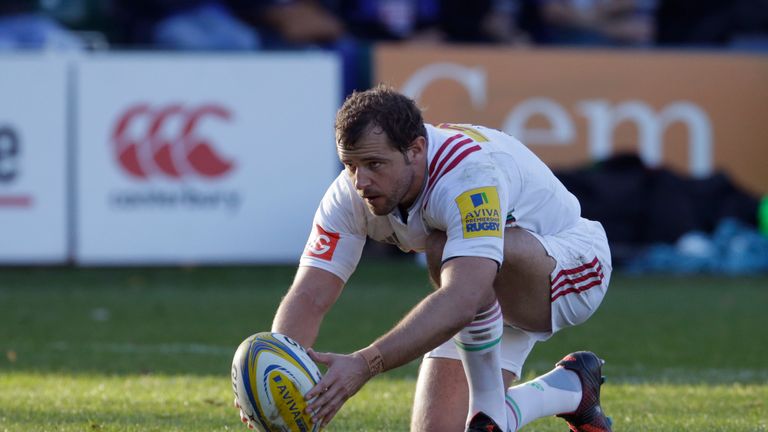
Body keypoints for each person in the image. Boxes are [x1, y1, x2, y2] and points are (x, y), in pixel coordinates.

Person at [236, 85, 613, 432]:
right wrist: (277, 377)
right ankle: (570, 387)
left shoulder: (468, 173)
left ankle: (489, 408)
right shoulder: (350, 193)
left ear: (416, 149)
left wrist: (366, 363)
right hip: (481, 290)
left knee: (447, 249)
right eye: (350, 165)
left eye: (374, 164)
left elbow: (464, 297)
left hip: (571, 267)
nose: (360, 181)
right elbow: (309, 296)